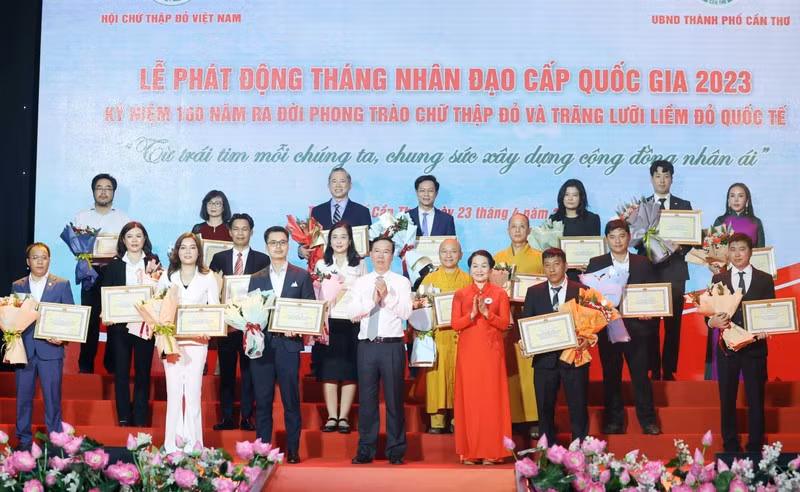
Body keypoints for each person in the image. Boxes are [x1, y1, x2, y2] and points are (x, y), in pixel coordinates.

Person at [586, 220, 661, 435]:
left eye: (621, 236)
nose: (617, 241)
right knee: (611, 376)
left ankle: (648, 421)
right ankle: (614, 421)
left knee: (640, 376)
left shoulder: (643, 263)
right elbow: (589, 297)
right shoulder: (596, 263)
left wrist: (651, 310)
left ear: (628, 237)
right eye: (612, 237)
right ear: (606, 240)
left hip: (637, 329)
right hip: (609, 327)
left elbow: (653, 293)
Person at [248, 226, 315, 464]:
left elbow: (310, 310)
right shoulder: (256, 278)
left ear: (288, 245)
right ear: (266, 246)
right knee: (263, 400)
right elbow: (250, 312)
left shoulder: (301, 276)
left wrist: (299, 326)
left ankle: (293, 450)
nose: (278, 247)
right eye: (273, 243)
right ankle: (262, 451)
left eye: (282, 242)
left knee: (290, 400)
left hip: (289, 346)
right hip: (263, 347)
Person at [707, 233, 774, 453]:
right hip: (728, 348)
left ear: (751, 252)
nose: (737, 254)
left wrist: (767, 329)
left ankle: (755, 448)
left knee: (756, 399)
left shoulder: (765, 279)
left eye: (742, 249)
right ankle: (730, 446)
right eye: (733, 249)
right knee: (727, 399)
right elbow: (710, 313)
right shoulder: (719, 279)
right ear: (728, 252)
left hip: (755, 348)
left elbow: (771, 312)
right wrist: (712, 322)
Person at [348, 237, 412, 465]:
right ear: (370, 254)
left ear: (392, 255)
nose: (381, 256)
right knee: (367, 401)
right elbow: (352, 313)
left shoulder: (401, 282)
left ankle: (396, 451)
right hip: (367, 346)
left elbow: (406, 313)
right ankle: (366, 450)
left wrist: (388, 297)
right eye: (376, 251)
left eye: (386, 251)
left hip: (392, 346)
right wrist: (373, 300)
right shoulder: (361, 282)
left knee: (394, 400)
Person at [156, 233, 219, 453]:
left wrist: (210, 330)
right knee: (174, 392)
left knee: (193, 393)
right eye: (183, 247)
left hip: (197, 342)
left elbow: (215, 309)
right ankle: (171, 446)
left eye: (192, 247)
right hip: (171, 341)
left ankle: (194, 446)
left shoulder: (208, 277)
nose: (188, 252)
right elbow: (157, 307)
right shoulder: (167, 276)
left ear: (199, 252)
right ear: (177, 251)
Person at [521, 248, 590, 444]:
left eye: (556, 264)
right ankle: (549, 453)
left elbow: (594, 323)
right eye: (547, 265)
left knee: (578, 408)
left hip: (574, 359)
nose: (551, 269)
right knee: (544, 410)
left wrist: (589, 338)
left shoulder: (582, 290)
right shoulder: (534, 292)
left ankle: (581, 451)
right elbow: (526, 323)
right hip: (544, 361)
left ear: (566, 266)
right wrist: (525, 342)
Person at [209, 213, 270, 431]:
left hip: (251, 325)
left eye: (245, 229)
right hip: (227, 324)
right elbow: (212, 290)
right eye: (236, 228)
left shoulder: (262, 260)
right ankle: (226, 417)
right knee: (226, 373)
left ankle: (246, 417)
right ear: (230, 231)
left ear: (251, 232)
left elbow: (266, 292)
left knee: (249, 373)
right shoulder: (219, 258)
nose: (240, 233)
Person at [11, 243, 73, 451]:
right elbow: (12, 315)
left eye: (44, 257)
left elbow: (70, 317)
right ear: (28, 261)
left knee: (52, 398)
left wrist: (63, 338)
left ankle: (55, 441)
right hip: (24, 351)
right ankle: (23, 440)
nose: (39, 261)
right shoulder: (17, 286)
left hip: (51, 351)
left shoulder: (62, 284)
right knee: (23, 399)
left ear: (49, 260)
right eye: (35, 257)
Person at [452, 250, 511, 464]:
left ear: (491, 269)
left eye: (484, 266)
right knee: (470, 400)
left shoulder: (500, 294)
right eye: (475, 266)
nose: (479, 270)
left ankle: (491, 451)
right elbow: (455, 324)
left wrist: (487, 314)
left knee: (491, 400)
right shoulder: (461, 294)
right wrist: (471, 315)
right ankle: (470, 452)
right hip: (468, 354)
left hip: (492, 353)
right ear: (469, 269)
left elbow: (504, 324)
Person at [101, 222, 160, 427]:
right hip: (120, 327)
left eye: (138, 236)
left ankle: (140, 418)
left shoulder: (153, 263)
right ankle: (124, 417)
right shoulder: (115, 265)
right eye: (130, 236)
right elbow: (106, 293)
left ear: (145, 239)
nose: (134, 240)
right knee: (122, 373)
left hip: (144, 326)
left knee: (143, 372)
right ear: (123, 240)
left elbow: (160, 292)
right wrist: (107, 312)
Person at [73, 173, 131, 374]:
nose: (103, 192)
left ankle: (112, 365)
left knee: (115, 320)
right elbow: (77, 247)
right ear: (93, 191)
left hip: (115, 272)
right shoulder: (81, 217)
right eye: (99, 188)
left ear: (113, 192)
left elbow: (128, 246)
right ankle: (86, 365)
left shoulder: (123, 218)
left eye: (108, 188)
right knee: (89, 320)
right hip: (91, 272)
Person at [641, 160, 693, 381]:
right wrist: (647, 243)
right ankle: (654, 368)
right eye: (658, 176)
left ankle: (669, 369)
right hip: (650, 273)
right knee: (651, 324)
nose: (662, 180)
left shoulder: (684, 205)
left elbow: (692, 239)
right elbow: (636, 241)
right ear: (652, 178)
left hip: (675, 272)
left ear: (672, 178)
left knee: (673, 325)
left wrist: (682, 246)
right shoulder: (642, 206)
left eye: (666, 176)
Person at [313, 222, 367, 434]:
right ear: (329, 241)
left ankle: (344, 416)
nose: (339, 241)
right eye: (334, 237)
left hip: (352, 322)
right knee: (329, 370)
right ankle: (331, 416)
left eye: (343, 237)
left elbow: (365, 293)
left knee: (350, 371)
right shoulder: (322, 264)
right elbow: (316, 293)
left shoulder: (359, 264)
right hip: (329, 322)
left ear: (350, 240)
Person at [494, 213, 542, 439]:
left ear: (529, 230)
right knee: (510, 370)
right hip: (506, 321)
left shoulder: (539, 258)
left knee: (530, 370)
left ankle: (533, 419)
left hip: (530, 320)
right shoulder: (499, 258)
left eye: (522, 226)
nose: (518, 230)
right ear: (507, 230)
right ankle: (510, 417)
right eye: (514, 226)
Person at [417, 238, 471, 434]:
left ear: (461, 255)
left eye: (453, 251)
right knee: (437, 378)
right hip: (437, 336)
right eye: (444, 251)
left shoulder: (468, 279)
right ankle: (437, 420)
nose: (449, 255)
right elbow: (419, 308)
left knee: (461, 377)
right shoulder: (429, 280)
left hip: (461, 337)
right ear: (438, 255)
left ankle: (459, 419)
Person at [549, 179, 601, 282]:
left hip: (585, 273)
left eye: (575, 195)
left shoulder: (592, 219)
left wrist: (591, 266)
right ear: (562, 197)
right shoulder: (554, 219)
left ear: (581, 198)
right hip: (560, 274)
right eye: (567, 195)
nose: (570, 198)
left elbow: (596, 248)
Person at [713, 183, 765, 248]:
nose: (736, 200)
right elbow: (715, 250)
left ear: (747, 201)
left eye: (740, 196)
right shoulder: (720, 221)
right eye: (732, 196)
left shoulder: (756, 222)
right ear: (728, 200)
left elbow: (761, 251)